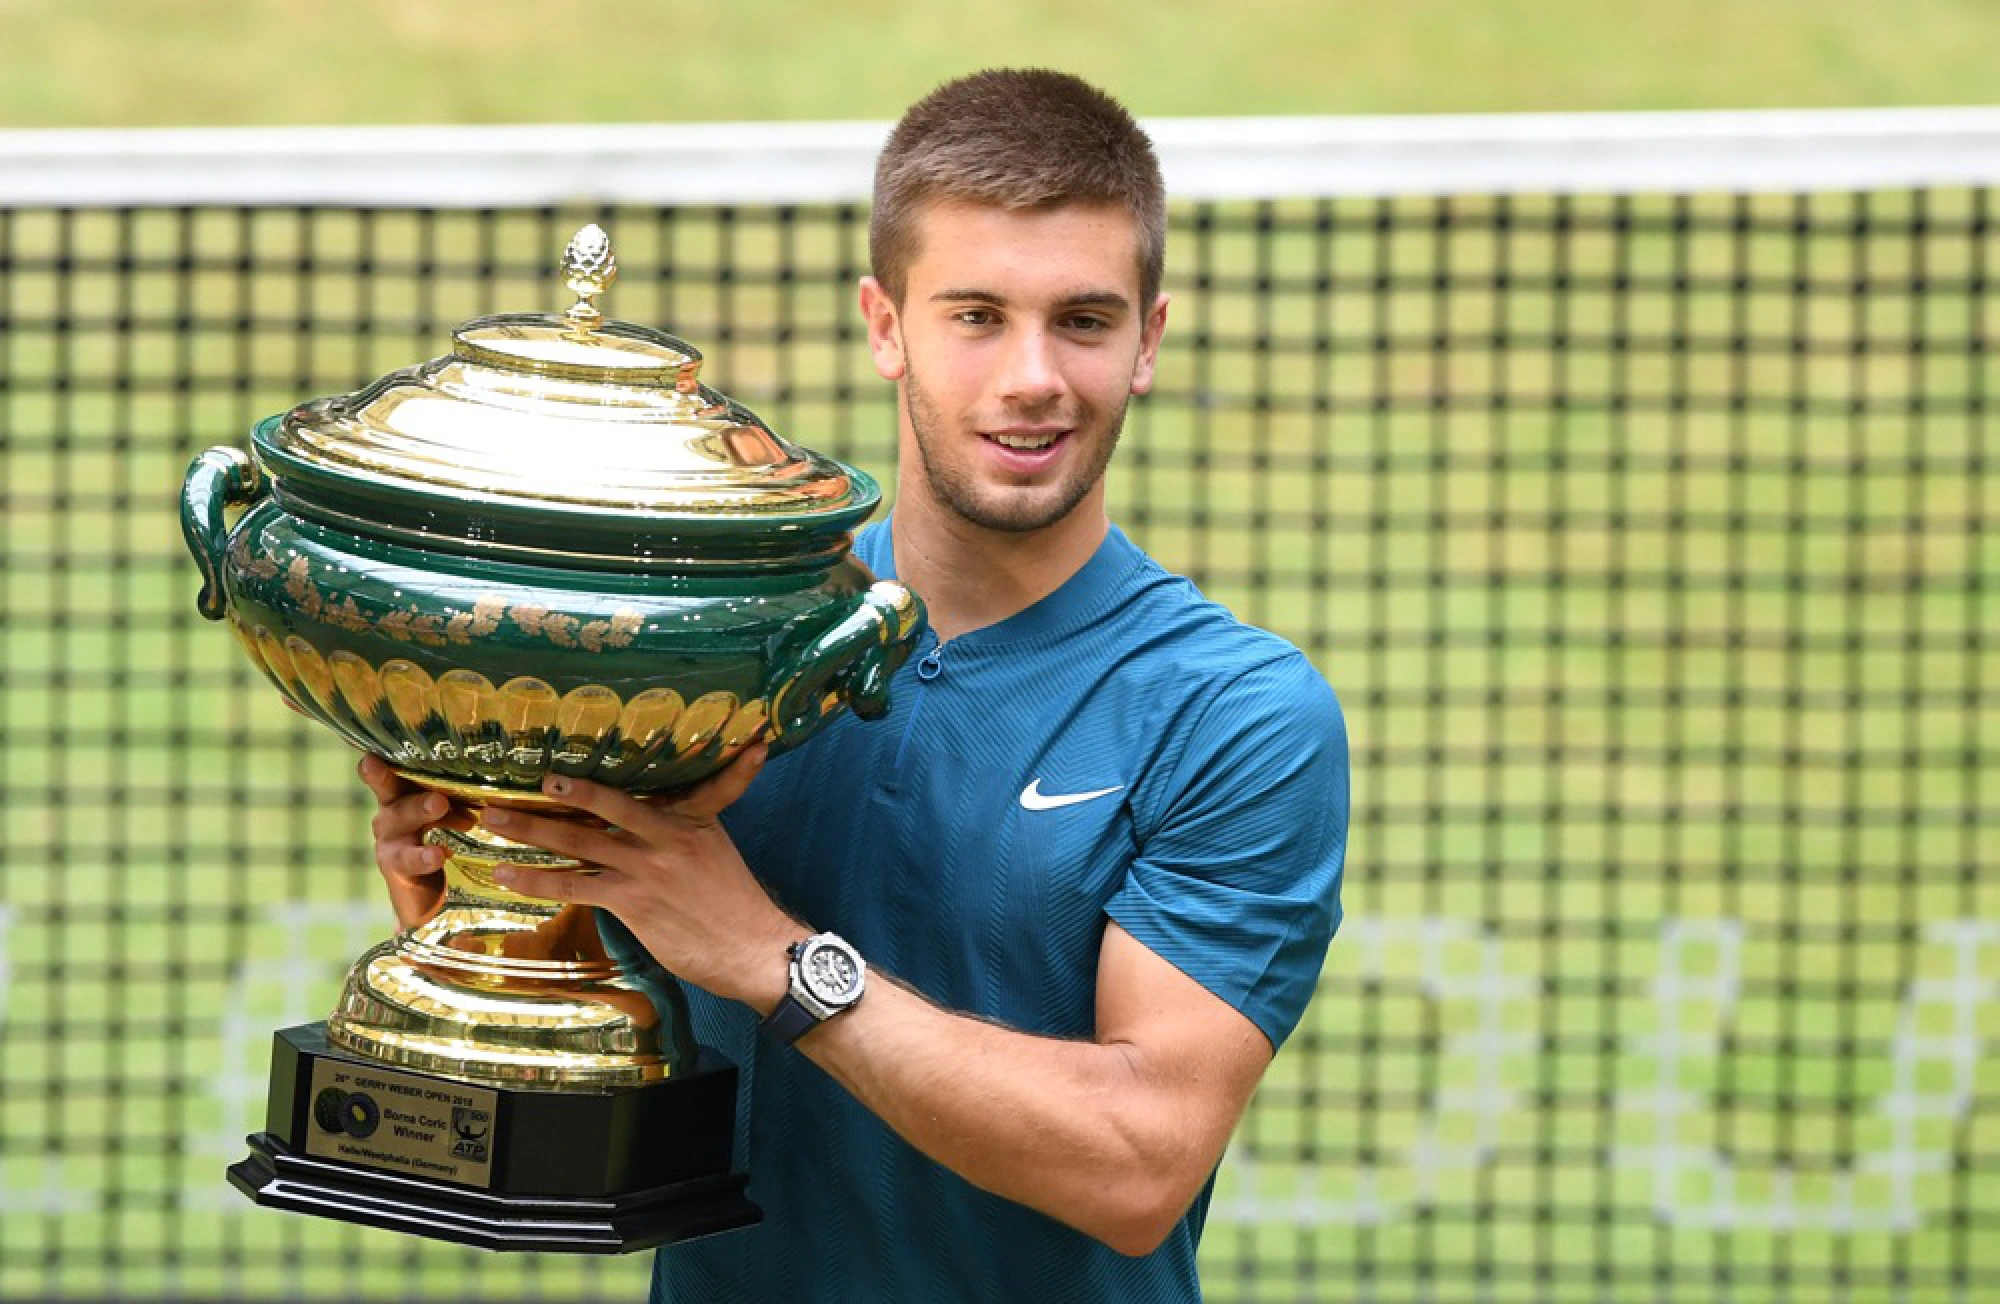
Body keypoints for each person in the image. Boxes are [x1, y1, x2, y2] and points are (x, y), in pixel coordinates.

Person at [360, 68, 1348, 1302]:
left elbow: (1136, 1162)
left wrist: (778, 960)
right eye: (975, 314)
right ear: (885, 325)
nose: (1031, 375)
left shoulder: (1235, 715)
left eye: (1083, 321)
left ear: (1147, 340)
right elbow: (579, 1090)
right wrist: (480, 911)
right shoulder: (713, 651)